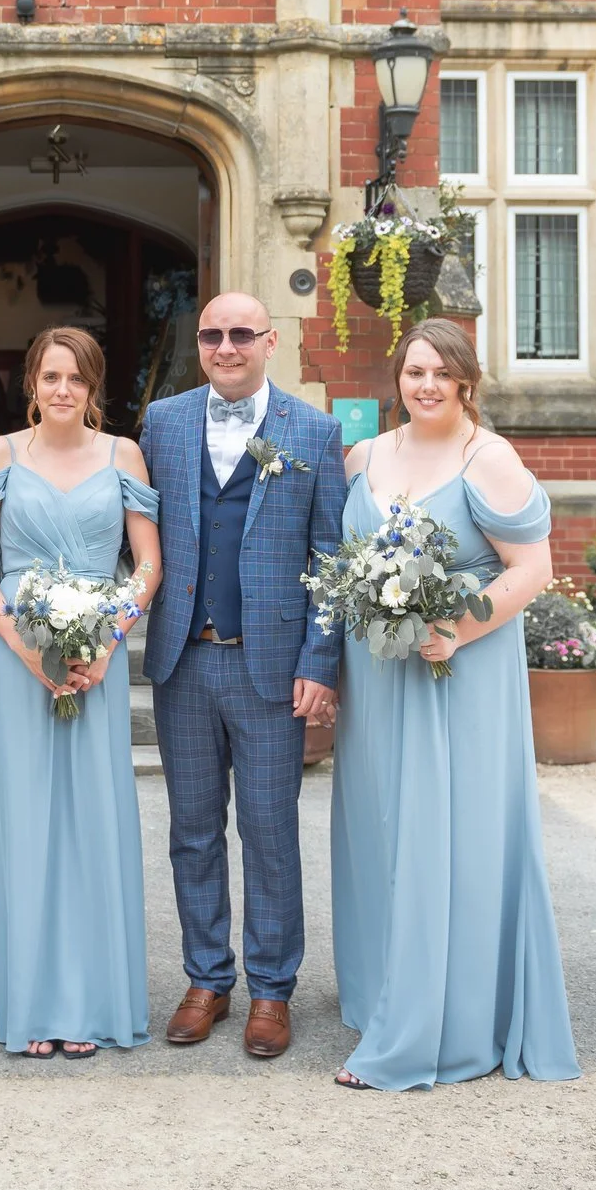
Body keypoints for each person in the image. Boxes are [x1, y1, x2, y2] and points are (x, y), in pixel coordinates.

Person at [329, 317, 580, 1091]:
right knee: (382, 829)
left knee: (452, 838)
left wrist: (454, 628)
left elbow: (533, 566)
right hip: (378, 676)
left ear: (467, 381)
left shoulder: (488, 457)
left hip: (457, 677)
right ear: (397, 379)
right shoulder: (365, 455)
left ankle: (442, 1027)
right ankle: (389, 994)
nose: (426, 384)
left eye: (441, 372)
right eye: (413, 372)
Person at [138, 291, 348, 1059]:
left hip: (271, 669)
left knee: (269, 833)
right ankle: (206, 978)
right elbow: (138, 530)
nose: (226, 347)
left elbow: (332, 556)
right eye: (212, 335)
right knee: (191, 831)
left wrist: (320, 662)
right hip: (182, 661)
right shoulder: (162, 422)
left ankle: (271, 989)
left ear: (269, 341)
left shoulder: (314, 432)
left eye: (240, 334)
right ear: (200, 344)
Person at [0, 326, 163, 1059]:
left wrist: (107, 643)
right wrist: (20, 644)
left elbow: (146, 565)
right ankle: (35, 1002)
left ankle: (90, 1000)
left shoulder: (124, 455)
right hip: (16, 657)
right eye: (50, 376)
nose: (63, 390)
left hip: (96, 663)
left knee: (92, 820)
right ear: (31, 384)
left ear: (93, 386)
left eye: (76, 378)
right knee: (25, 819)